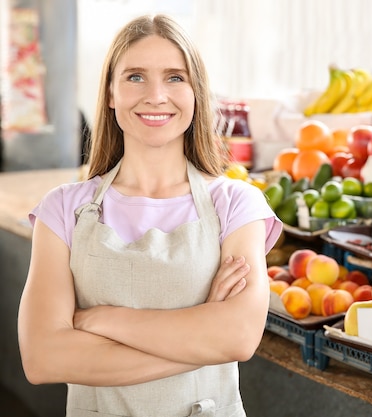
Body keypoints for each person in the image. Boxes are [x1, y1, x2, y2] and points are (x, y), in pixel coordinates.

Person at [18, 14, 282, 417]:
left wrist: (102, 320)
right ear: (110, 92)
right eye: (135, 77)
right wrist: (201, 336)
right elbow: (43, 358)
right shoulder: (62, 209)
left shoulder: (237, 204)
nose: (156, 95)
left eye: (175, 78)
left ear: (196, 93)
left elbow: (239, 337)